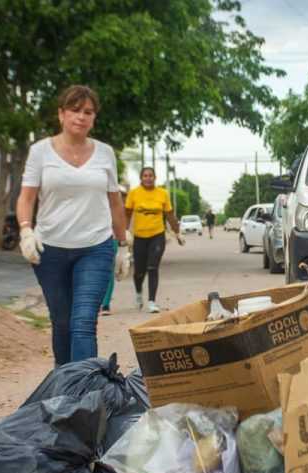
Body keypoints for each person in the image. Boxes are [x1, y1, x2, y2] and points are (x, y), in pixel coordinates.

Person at [16, 85, 130, 367]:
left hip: (96, 247)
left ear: (94, 118)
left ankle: (84, 392)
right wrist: (26, 230)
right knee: (63, 323)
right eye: (74, 110)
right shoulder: (41, 152)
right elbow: (26, 197)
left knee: (83, 321)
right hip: (50, 249)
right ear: (61, 114)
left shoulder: (105, 153)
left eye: (88, 112)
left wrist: (123, 246)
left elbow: (115, 203)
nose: (81, 117)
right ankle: (64, 384)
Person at [125, 166, 184, 313]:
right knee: (139, 272)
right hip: (139, 237)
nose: (148, 178)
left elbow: (170, 215)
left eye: (150, 175)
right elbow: (126, 214)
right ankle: (139, 293)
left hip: (157, 236)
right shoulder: (134, 193)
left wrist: (178, 232)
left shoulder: (162, 194)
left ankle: (152, 301)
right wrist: (125, 232)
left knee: (152, 267)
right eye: (145, 175)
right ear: (141, 178)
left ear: (155, 177)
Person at [100, 185, 130, 315]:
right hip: (91, 239)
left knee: (109, 271)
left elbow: (120, 221)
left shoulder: (115, 204)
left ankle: (105, 304)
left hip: (111, 239)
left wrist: (123, 247)